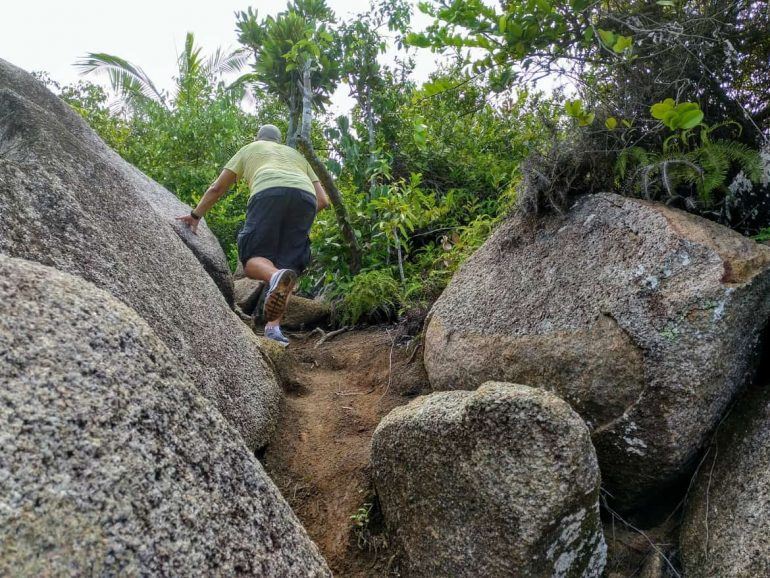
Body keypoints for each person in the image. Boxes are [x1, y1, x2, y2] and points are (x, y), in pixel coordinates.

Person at [177, 124, 330, 346]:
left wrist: (195, 215)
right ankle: (273, 329)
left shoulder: (250, 148)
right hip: (305, 198)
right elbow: (323, 200)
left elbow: (217, 188)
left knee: (252, 260)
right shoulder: (295, 155)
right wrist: (300, 214)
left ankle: (275, 278)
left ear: (258, 138)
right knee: (289, 268)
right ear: (278, 141)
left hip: (269, 191)